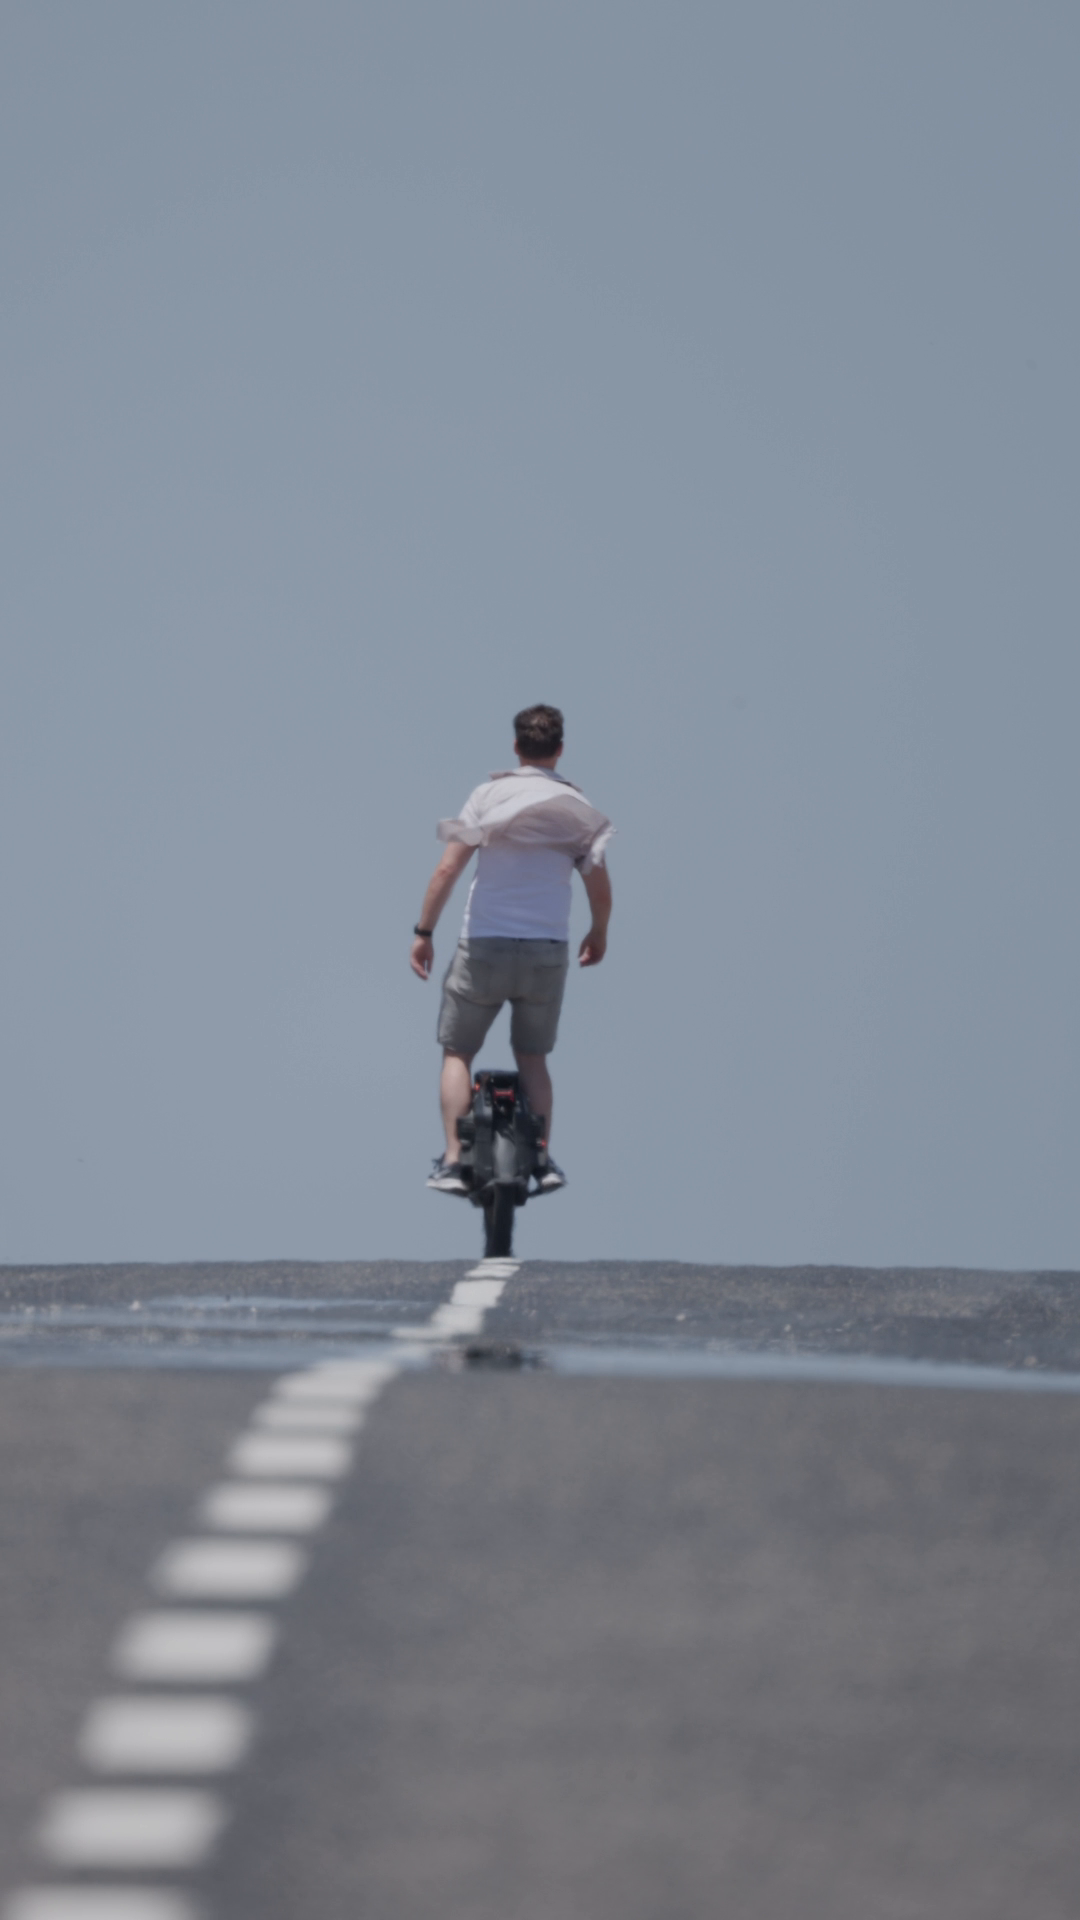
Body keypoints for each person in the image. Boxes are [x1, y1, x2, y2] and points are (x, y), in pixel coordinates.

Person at [410, 704, 614, 1193]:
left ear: (516, 748)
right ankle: (542, 1162)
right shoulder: (578, 807)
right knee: (533, 1058)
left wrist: (424, 932)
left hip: (484, 945)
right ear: (560, 750)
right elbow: (599, 885)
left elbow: (448, 868)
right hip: (547, 950)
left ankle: (453, 1162)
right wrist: (599, 931)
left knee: (458, 1052)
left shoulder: (487, 796)